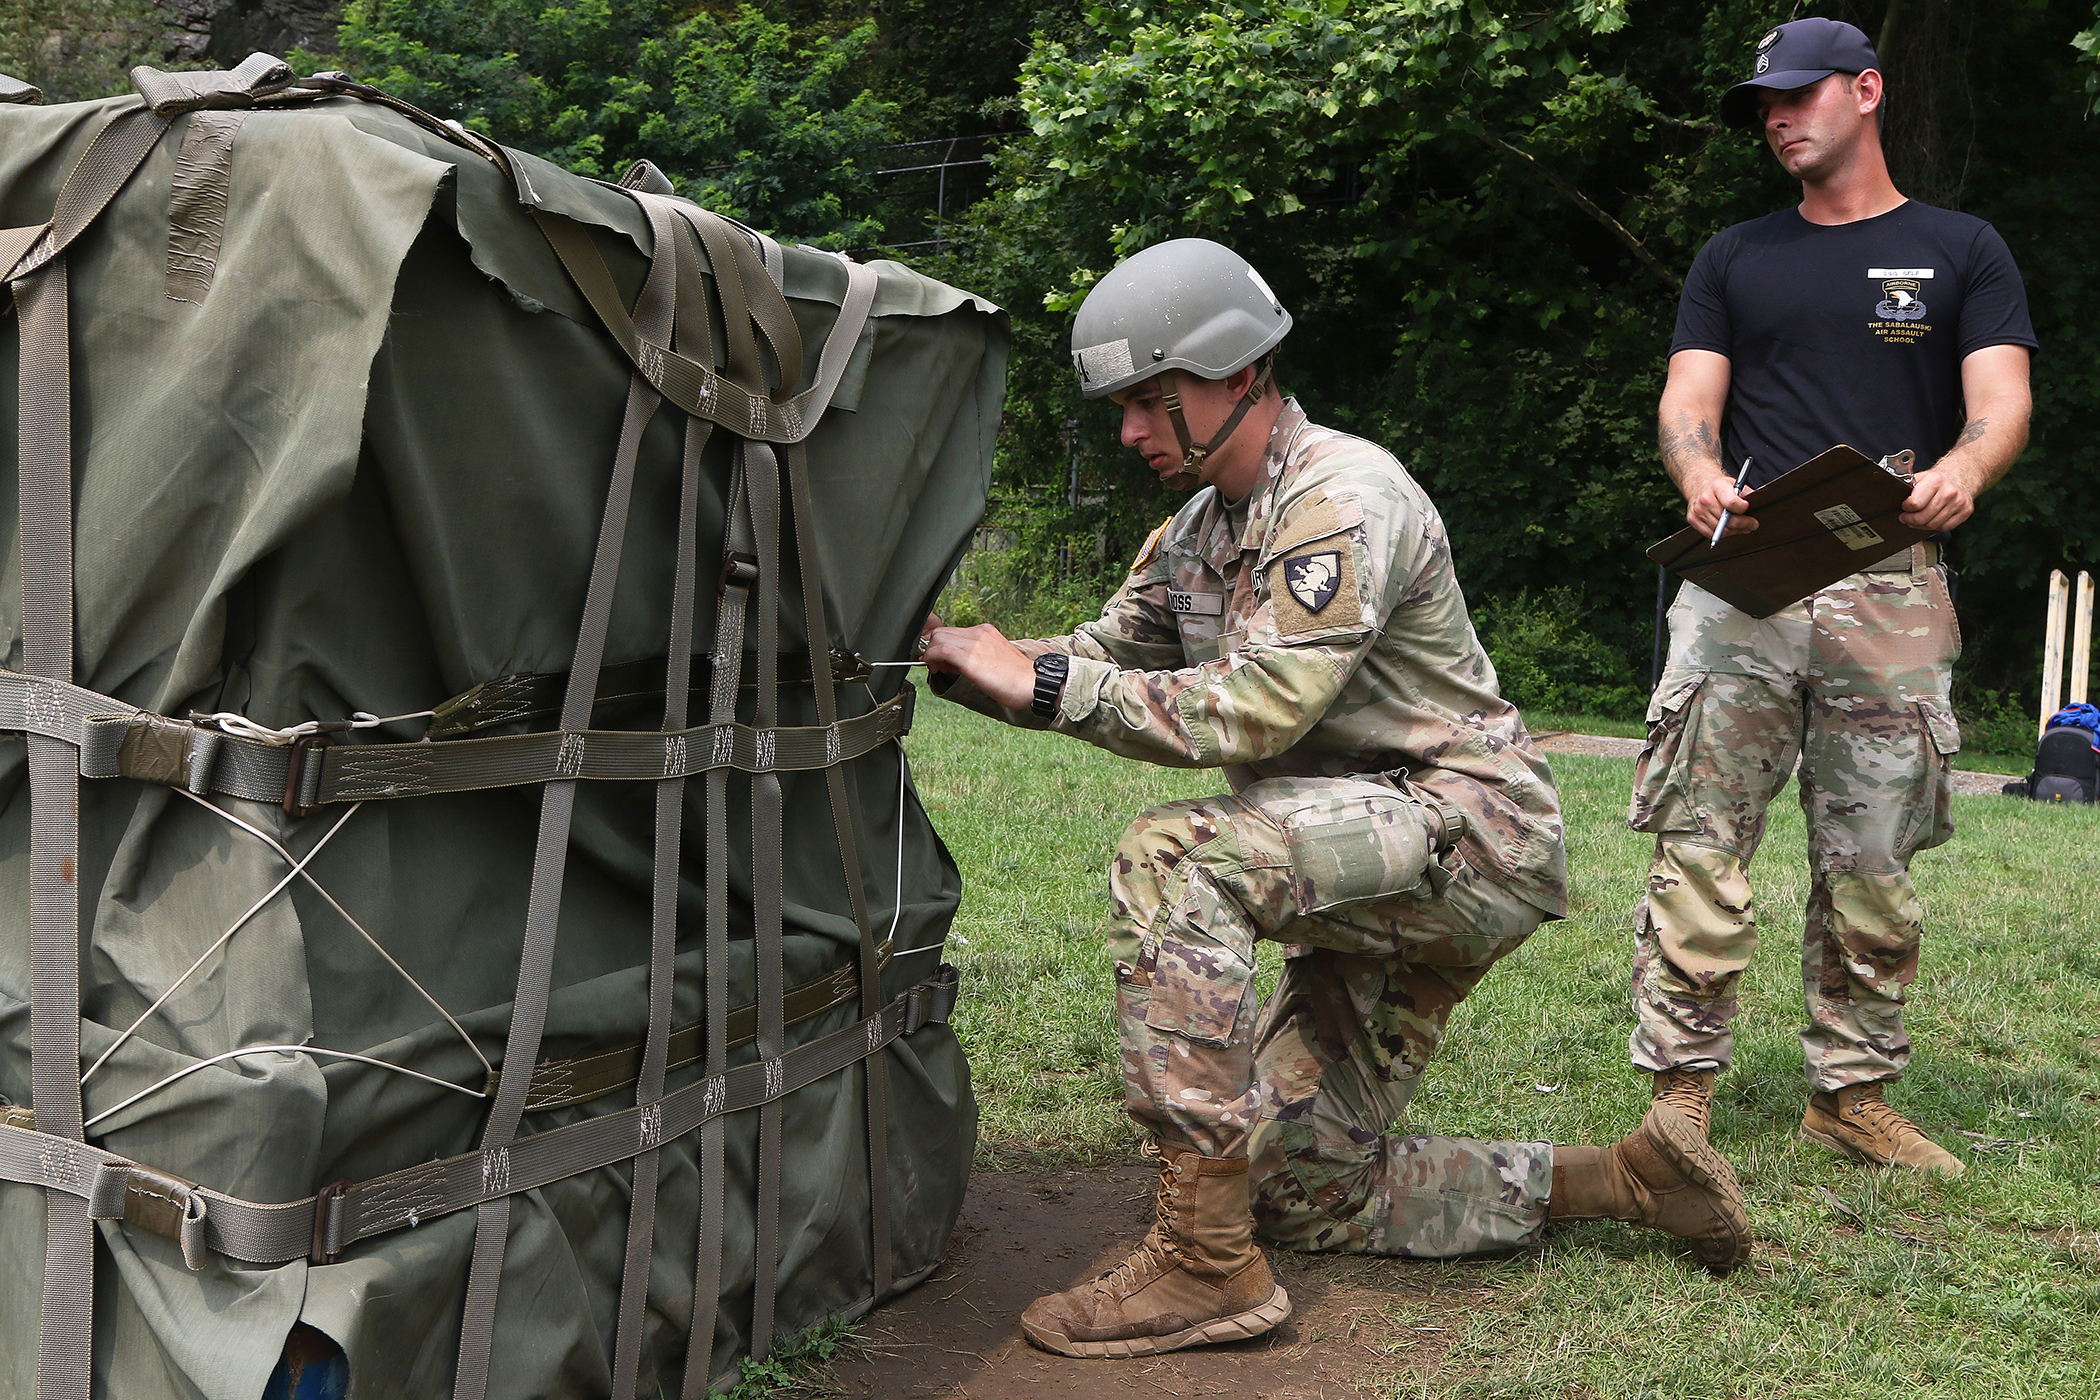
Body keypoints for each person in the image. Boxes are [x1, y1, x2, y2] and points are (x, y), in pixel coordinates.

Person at [920, 238, 1751, 1362]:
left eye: (1150, 399)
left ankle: (1204, 1264)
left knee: (1179, 861)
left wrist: (1052, 682)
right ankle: (1624, 1180)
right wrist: (976, 658)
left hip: (1462, 834)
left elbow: (1257, 709)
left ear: (1235, 373)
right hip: (1348, 848)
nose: (1129, 431)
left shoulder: (1340, 498)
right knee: (1293, 1183)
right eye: (1122, 405)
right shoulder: (1205, 528)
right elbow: (1103, 653)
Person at [1634, 18, 2034, 1175]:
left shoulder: (1963, 247)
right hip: (1748, 576)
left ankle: (1851, 1091)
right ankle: (1680, 1090)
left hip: (1894, 580)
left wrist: (1965, 466)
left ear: (1865, 91)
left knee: (1874, 856)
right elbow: (1685, 400)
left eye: (1796, 93)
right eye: (1762, 102)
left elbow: (2001, 398)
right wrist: (1698, 470)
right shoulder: (1734, 255)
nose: (1775, 115)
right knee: (1701, 840)